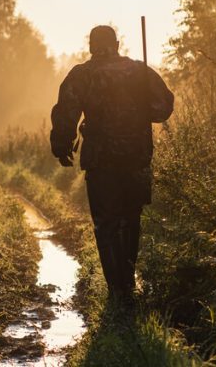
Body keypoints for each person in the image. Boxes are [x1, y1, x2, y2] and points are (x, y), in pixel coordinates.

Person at [50, 25, 174, 306]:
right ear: (117, 44)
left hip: (101, 160)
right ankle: (128, 284)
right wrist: (141, 101)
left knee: (106, 224)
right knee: (131, 220)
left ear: (92, 45)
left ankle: (116, 291)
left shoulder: (82, 75)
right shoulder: (139, 71)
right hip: (136, 158)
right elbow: (162, 108)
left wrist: (61, 146)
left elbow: (66, 113)